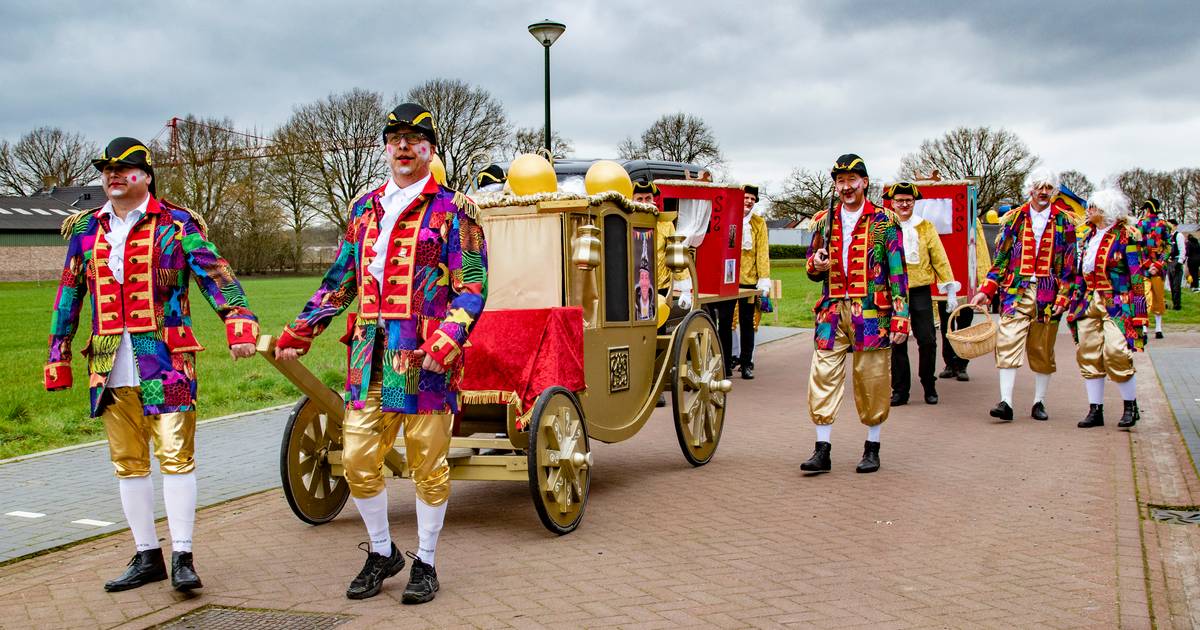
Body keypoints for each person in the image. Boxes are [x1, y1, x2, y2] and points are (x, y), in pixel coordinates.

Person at [274, 103, 487, 604]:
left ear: (430, 149)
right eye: (396, 138)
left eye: (415, 138)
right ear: (387, 148)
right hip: (369, 356)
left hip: (422, 356)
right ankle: (381, 551)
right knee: (356, 459)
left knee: (428, 464)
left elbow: (472, 286)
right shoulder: (363, 210)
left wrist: (448, 339)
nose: (405, 146)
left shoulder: (454, 211)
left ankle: (427, 563)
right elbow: (340, 282)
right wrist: (301, 330)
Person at [45, 137, 259, 593]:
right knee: (128, 462)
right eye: (107, 169)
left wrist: (238, 318)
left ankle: (183, 555)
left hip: (167, 359)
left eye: (123, 169)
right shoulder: (86, 229)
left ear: (146, 175)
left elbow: (216, 276)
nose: (113, 176)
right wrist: (57, 352)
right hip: (108, 362)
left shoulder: (178, 225)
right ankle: (147, 556)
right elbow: (69, 294)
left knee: (177, 458)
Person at [801, 154, 908, 474]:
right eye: (840, 181)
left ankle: (872, 447)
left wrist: (901, 316)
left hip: (872, 310)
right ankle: (822, 448)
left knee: (872, 378)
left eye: (851, 180)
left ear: (864, 182)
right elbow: (812, 266)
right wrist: (816, 266)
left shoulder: (885, 221)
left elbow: (898, 272)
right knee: (822, 375)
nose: (846, 187)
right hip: (831, 310)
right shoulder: (824, 220)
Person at [968, 169, 1077, 422]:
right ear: (1030, 189)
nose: (1043, 192)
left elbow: (1070, 265)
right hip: (1015, 291)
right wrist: (987, 290)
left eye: (1049, 188)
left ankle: (1039, 402)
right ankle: (1006, 402)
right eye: (1039, 187)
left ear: (1054, 191)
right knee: (1007, 341)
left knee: (1042, 348)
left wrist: (1064, 296)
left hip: (1048, 294)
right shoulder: (1013, 219)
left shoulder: (1066, 222)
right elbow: (1002, 260)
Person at [1067, 189, 1146, 429]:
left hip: (1117, 303)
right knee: (1088, 353)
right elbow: (1082, 273)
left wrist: (1140, 312)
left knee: (1116, 353)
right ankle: (1095, 410)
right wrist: (1073, 300)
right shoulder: (1088, 237)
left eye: (1093, 207)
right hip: (1089, 302)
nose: (1088, 211)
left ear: (1105, 211)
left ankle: (1130, 406)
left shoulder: (1126, 236)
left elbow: (1136, 275)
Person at [886, 182, 957, 406]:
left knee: (927, 340)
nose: (904, 205)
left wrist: (949, 286)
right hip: (894, 293)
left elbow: (939, 256)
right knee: (897, 341)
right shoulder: (885, 227)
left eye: (908, 201)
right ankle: (900, 390)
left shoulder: (925, 227)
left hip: (920, 291)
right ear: (893, 204)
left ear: (914, 203)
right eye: (900, 201)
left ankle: (929, 384)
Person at [937, 218, 992, 381]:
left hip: (966, 279)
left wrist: (981, 282)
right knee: (946, 325)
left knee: (965, 324)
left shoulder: (972, 220)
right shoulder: (940, 215)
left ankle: (962, 364)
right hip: (946, 280)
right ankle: (949, 363)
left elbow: (980, 250)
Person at [733, 184, 771, 380]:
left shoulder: (758, 223)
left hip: (749, 281)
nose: (748, 202)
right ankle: (730, 357)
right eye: (746, 198)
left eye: (752, 199)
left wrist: (763, 279)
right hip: (730, 281)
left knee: (747, 322)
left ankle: (747, 362)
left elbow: (763, 252)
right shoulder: (730, 218)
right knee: (727, 321)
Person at [1137, 198, 1171, 338]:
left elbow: (1136, 246)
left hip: (1146, 267)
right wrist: (1159, 264)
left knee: (1144, 296)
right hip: (1157, 267)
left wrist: (1147, 264)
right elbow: (1169, 246)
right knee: (1158, 296)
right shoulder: (1164, 225)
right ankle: (1158, 329)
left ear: (1148, 209)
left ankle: (1145, 329)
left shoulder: (1141, 224)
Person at [1168, 222, 1186, 310]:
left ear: (1175, 226)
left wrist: (1180, 261)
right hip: (1170, 261)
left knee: (1176, 284)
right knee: (1171, 283)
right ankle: (1174, 302)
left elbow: (1182, 249)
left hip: (1176, 260)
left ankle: (1177, 304)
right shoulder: (1168, 236)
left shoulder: (1178, 235)